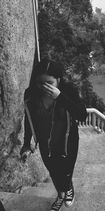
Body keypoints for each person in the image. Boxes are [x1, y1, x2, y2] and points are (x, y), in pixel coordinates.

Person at [20, 59, 87, 211]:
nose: (44, 87)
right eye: (40, 83)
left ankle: (68, 188)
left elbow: (82, 115)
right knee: (54, 172)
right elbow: (28, 118)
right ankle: (61, 194)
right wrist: (26, 143)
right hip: (45, 144)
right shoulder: (31, 94)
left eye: (49, 82)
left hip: (67, 143)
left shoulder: (68, 90)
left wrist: (60, 97)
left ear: (58, 80)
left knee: (66, 171)